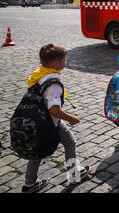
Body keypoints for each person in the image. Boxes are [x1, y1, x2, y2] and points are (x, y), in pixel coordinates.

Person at [23, 44, 90, 193]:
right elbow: (53, 109)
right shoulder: (53, 83)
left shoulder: (39, 74)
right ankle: (74, 174)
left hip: (37, 120)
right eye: (65, 59)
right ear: (55, 64)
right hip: (49, 122)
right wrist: (71, 118)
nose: (66, 62)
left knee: (37, 151)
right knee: (70, 141)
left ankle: (29, 183)